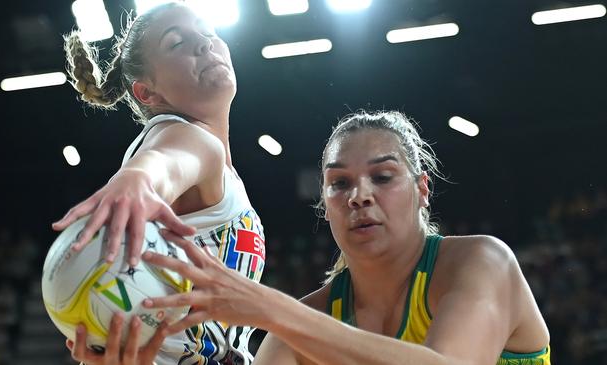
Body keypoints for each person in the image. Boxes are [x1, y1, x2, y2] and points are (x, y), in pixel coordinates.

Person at [143, 110, 552, 364]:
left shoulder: (483, 261)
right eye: (339, 184)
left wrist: (272, 310)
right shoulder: (309, 320)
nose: (359, 196)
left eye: (383, 176)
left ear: (422, 189)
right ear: (324, 203)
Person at [51, 2, 266, 364]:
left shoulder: (215, 163)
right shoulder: (187, 139)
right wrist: (137, 178)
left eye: (207, 31)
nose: (203, 43)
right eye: (177, 43)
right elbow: (164, 164)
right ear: (147, 93)